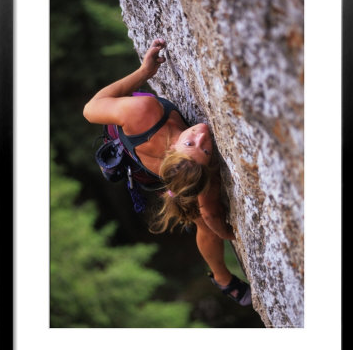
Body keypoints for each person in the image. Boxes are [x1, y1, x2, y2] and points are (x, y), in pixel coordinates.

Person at [83, 38, 251, 306]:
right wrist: (143, 73)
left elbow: (91, 109)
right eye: (199, 146)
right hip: (145, 164)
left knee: (202, 217)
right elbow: (91, 108)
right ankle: (223, 278)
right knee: (201, 219)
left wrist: (144, 73)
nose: (202, 134)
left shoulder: (147, 117)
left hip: (158, 160)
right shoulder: (146, 115)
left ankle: (222, 280)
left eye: (195, 145)